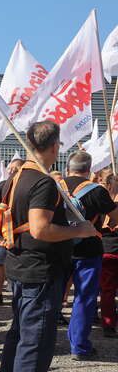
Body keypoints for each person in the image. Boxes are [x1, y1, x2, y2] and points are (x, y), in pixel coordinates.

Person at [0, 121, 97, 372]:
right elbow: (40, 228)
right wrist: (80, 229)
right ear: (55, 146)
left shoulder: (14, 178)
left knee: (19, 333)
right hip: (39, 269)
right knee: (35, 342)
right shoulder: (42, 182)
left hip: (20, 265)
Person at [58, 151, 118, 360]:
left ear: (68, 167)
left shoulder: (56, 186)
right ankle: (79, 346)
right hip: (89, 250)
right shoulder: (97, 191)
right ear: (89, 169)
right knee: (84, 299)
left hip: (60, 247)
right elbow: (115, 216)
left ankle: (45, 340)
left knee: (54, 295)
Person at [0, 158, 25, 305]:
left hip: (20, 232)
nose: (11, 170)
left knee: (18, 263)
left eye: (15, 168)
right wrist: (0, 221)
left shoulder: (24, 186)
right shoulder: (3, 185)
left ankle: (18, 294)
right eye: (10, 167)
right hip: (3, 232)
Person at [97, 167, 118, 338]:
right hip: (109, 250)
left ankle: (108, 323)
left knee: (107, 290)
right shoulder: (103, 202)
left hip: (105, 249)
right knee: (108, 291)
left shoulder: (98, 201)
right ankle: (108, 323)